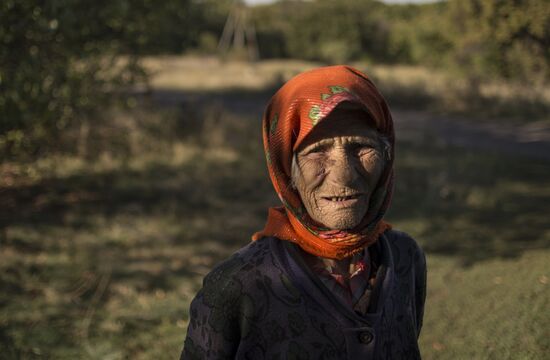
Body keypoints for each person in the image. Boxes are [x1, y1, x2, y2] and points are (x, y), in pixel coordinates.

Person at [180, 65, 427, 359]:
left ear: (387, 156)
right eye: (317, 151)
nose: (344, 176)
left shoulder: (404, 258)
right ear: (286, 168)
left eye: (362, 146)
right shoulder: (238, 284)